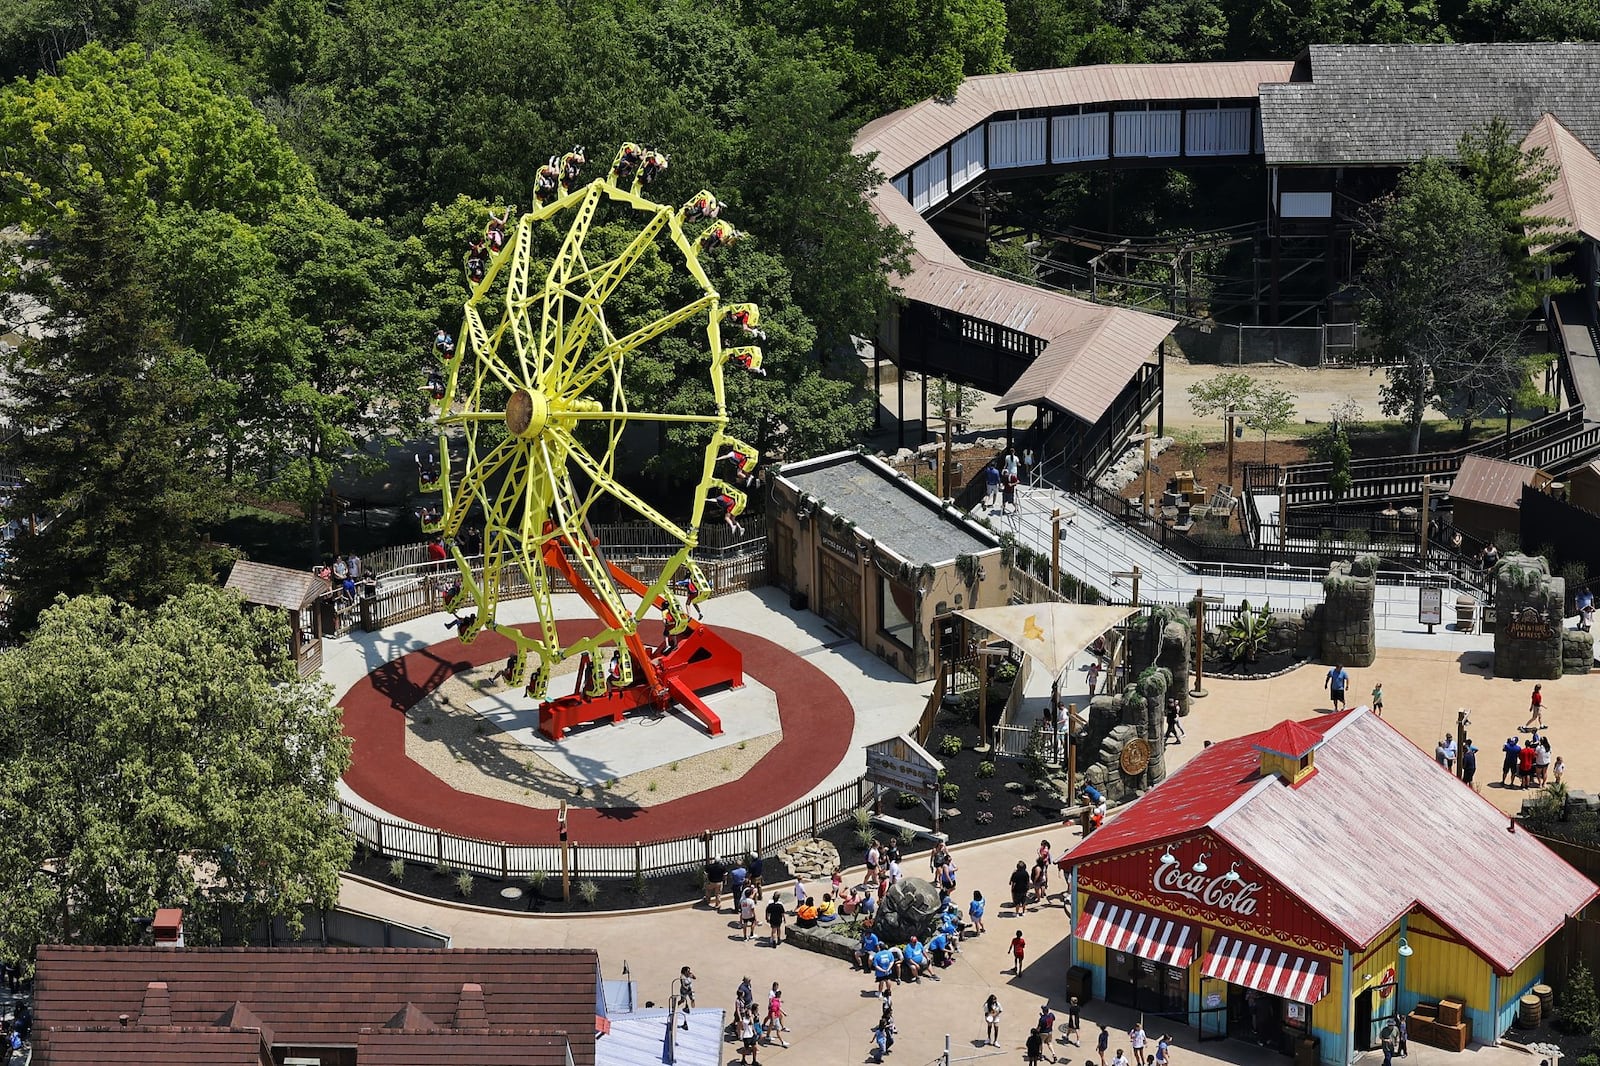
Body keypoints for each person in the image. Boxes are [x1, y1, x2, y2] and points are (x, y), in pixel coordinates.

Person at [765, 983, 790, 1048]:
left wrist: (783, 1013)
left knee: (770, 1025)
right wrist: (773, 1020)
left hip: (776, 1015)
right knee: (778, 1030)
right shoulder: (775, 1003)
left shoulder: (776, 1001)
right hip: (775, 1017)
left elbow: (778, 1008)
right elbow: (773, 1011)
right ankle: (782, 1042)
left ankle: (767, 1036)